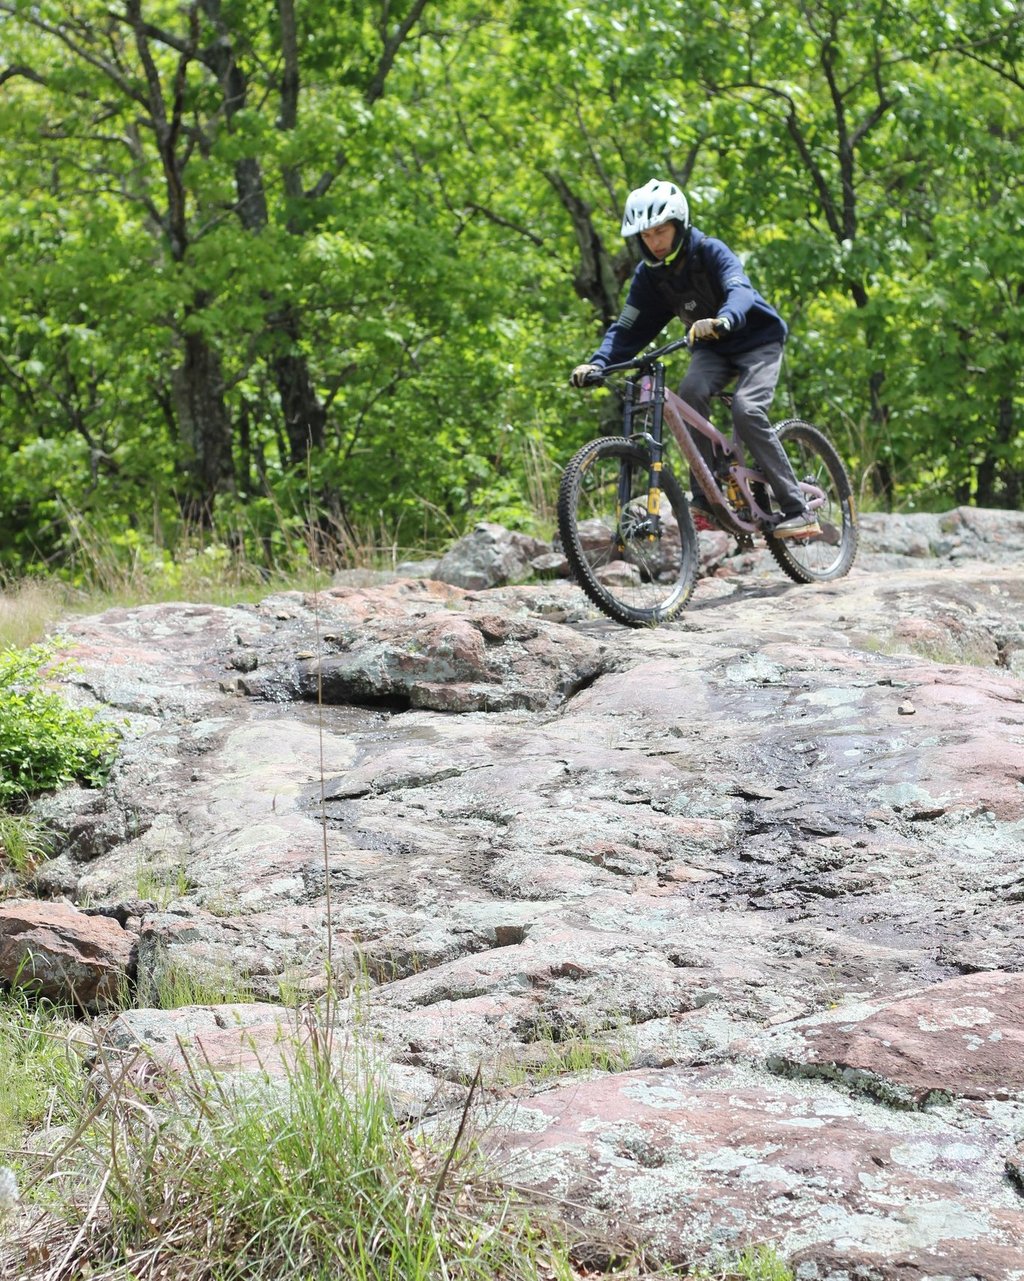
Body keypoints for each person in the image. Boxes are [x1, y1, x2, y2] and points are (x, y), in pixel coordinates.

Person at [571, 178, 819, 537]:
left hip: (758, 342)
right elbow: (627, 329)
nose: (654, 242)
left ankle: (797, 508)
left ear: (680, 224)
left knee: (747, 410)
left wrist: (724, 319)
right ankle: (707, 497)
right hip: (712, 351)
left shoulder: (710, 251)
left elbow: (740, 290)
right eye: (646, 235)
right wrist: (598, 363)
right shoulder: (650, 277)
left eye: (661, 231)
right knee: (689, 393)